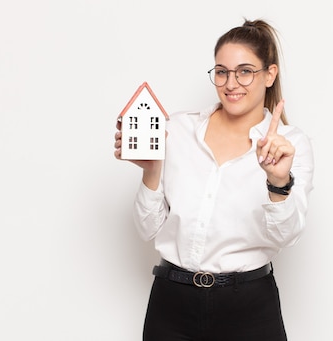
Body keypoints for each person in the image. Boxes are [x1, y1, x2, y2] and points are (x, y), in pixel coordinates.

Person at [114, 18, 314, 341]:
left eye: (245, 71)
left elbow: (287, 235)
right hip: (172, 302)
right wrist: (151, 171)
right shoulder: (177, 130)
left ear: (269, 74)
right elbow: (146, 228)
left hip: (249, 306)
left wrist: (278, 182)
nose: (231, 83)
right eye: (221, 71)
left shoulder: (290, 145)